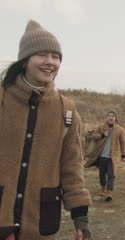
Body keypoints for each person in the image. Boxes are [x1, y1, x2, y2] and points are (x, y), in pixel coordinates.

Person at [0, 20, 92, 240]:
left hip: (40, 221)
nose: (50, 62)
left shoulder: (66, 109)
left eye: (56, 56)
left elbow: (71, 167)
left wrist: (81, 219)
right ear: (24, 60)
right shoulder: (2, 100)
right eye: (42, 54)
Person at [84, 110, 125, 202]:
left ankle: (109, 192)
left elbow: (123, 142)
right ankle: (103, 188)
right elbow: (93, 136)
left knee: (112, 174)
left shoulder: (120, 129)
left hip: (113, 157)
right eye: (109, 116)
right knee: (102, 173)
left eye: (112, 116)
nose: (110, 117)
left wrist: (123, 154)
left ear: (116, 118)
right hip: (102, 155)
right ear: (107, 118)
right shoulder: (101, 127)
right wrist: (102, 135)